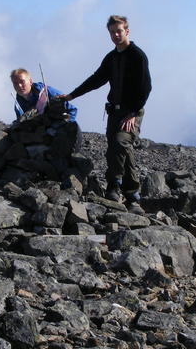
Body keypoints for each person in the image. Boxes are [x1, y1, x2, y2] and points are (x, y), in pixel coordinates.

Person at [58, 15, 151, 210]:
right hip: (114, 112)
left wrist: (133, 113)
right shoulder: (112, 58)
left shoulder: (137, 55)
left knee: (121, 142)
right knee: (115, 150)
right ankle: (127, 193)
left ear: (127, 31)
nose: (116, 35)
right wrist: (72, 96)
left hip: (130, 112)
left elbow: (145, 87)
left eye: (119, 31)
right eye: (112, 32)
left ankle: (121, 190)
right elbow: (96, 79)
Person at [10, 68, 78, 122]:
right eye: (15, 83)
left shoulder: (47, 92)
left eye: (22, 81)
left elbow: (72, 110)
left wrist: (67, 125)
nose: (19, 85)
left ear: (30, 81)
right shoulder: (18, 106)